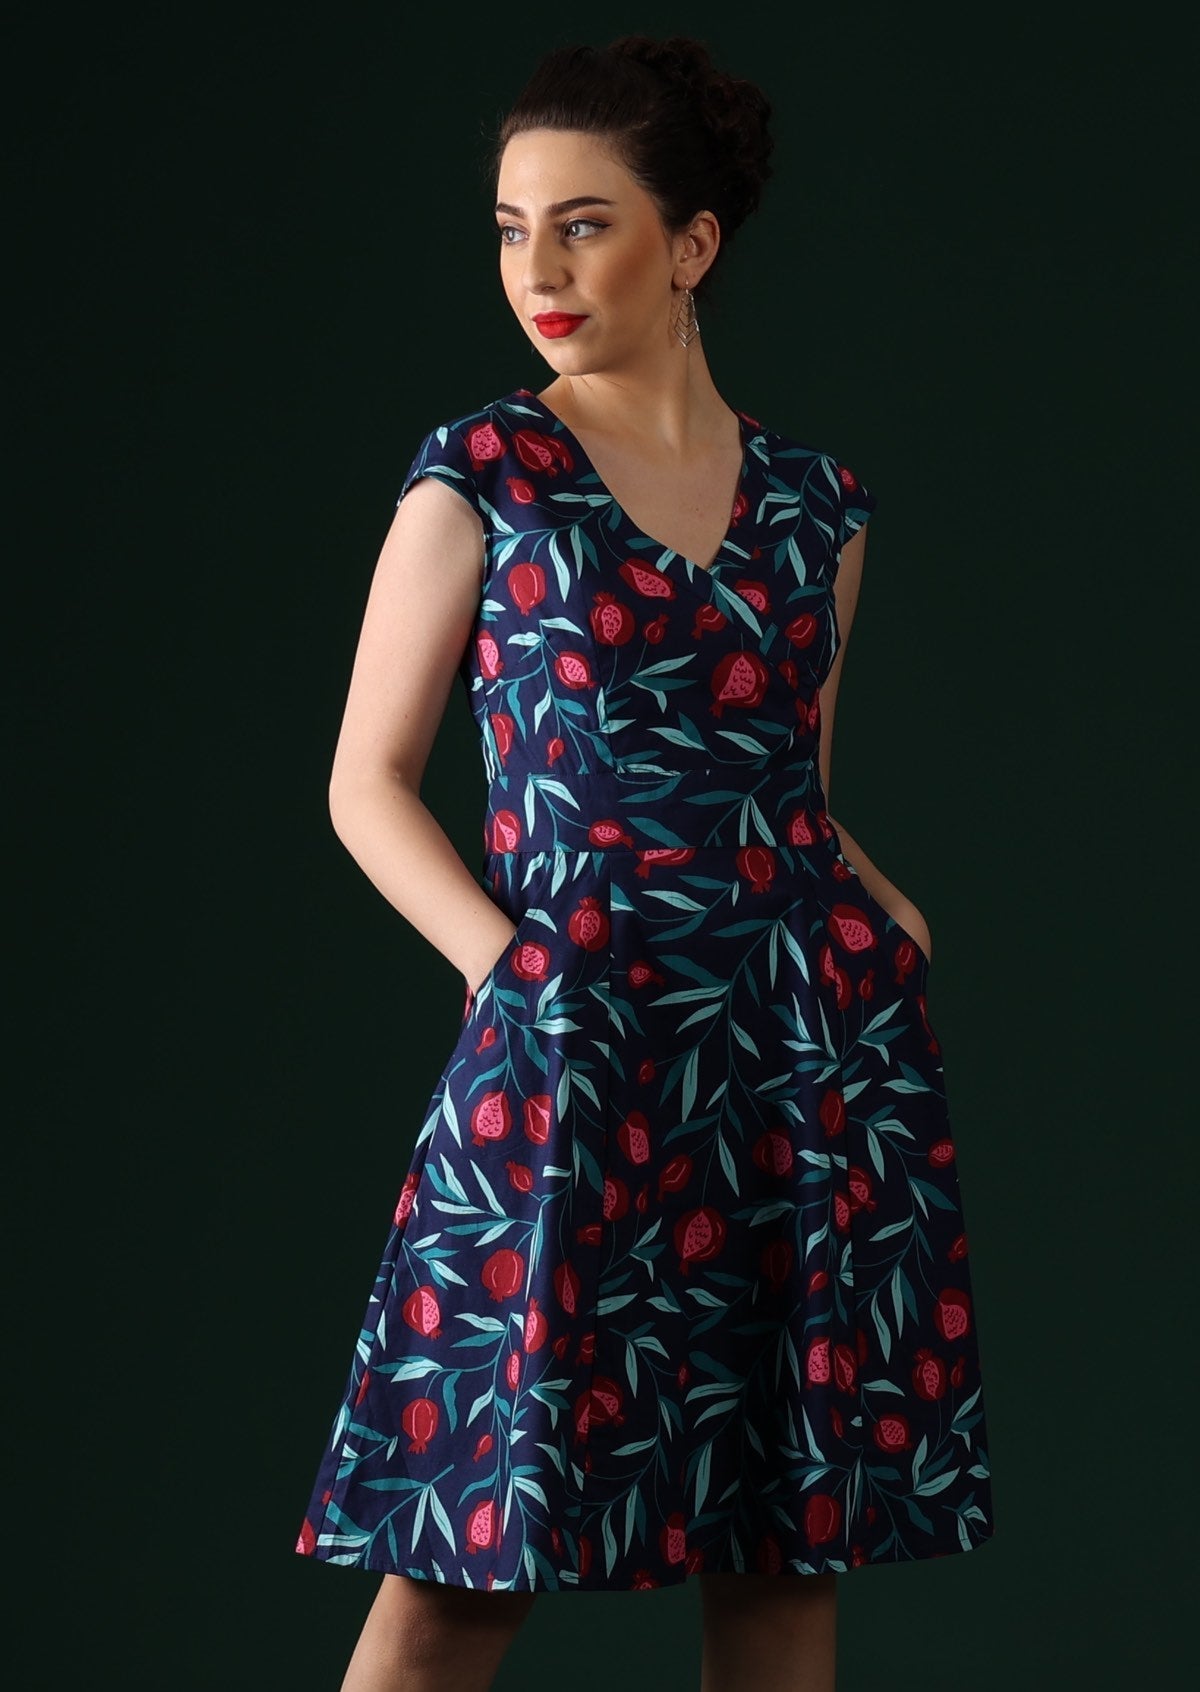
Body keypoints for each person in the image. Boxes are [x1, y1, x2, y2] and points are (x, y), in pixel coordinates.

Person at [295, 33, 996, 1692]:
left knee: (781, 1566)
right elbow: (365, 785)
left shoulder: (820, 508)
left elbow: (784, 788)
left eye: (583, 224)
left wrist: (882, 913)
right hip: (575, 1050)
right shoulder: (486, 477)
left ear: (692, 245)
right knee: (457, 1571)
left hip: (799, 1062)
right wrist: (507, 967)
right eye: (509, 226)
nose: (534, 267)